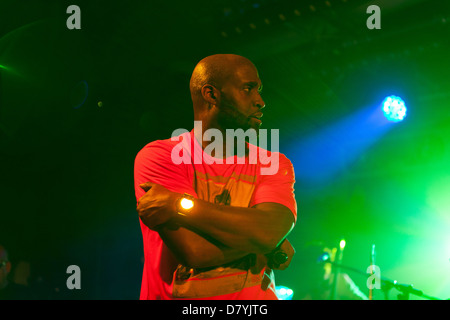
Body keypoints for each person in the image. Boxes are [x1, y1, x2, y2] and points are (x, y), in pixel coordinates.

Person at [134, 54, 297, 300]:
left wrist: (178, 205)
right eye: (248, 89)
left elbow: (269, 231)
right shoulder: (160, 156)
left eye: (259, 90)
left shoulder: (273, 163)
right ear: (211, 95)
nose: (260, 101)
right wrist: (266, 244)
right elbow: (195, 251)